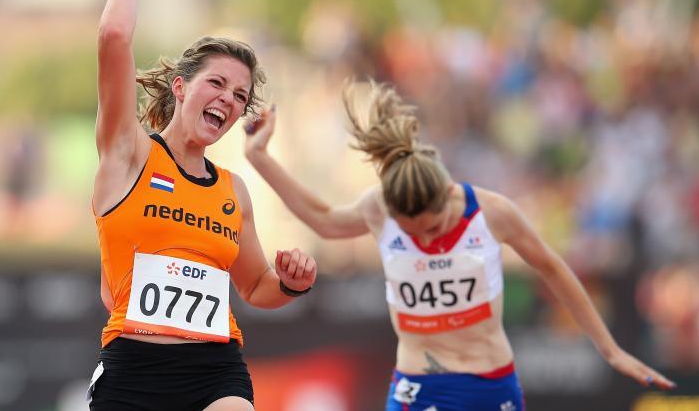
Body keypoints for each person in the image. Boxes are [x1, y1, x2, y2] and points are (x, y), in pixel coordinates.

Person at [244, 80, 675, 411]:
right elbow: (322, 219)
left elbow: (554, 268)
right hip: (419, 383)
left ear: (447, 194)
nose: (426, 240)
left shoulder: (492, 213)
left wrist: (610, 349)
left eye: (432, 228)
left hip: (488, 381)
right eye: (412, 233)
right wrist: (260, 157)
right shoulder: (381, 208)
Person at [88, 0, 317, 410]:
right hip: (133, 369)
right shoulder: (128, 154)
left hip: (215, 370)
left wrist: (292, 284)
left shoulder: (233, 192)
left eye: (239, 96)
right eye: (217, 83)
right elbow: (113, 38)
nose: (228, 100)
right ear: (180, 86)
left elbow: (254, 288)